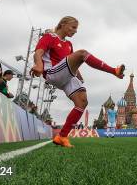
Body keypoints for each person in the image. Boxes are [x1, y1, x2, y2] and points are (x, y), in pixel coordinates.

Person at [30, 16, 125, 148]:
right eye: (73, 27)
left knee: (82, 101)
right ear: (62, 24)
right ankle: (114, 70)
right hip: (52, 73)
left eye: (76, 29)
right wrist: (39, 65)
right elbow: (38, 52)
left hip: (65, 75)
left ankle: (61, 136)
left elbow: (70, 62)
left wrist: (79, 76)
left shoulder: (68, 44)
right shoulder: (49, 37)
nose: (75, 31)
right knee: (82, 54)